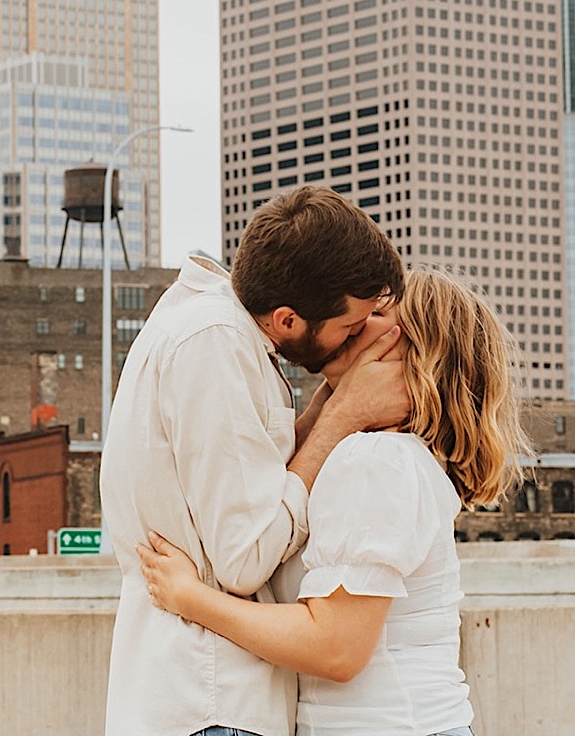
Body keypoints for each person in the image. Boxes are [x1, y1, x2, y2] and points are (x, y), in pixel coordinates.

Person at [138, 269, 534, 736]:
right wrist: (338, 403)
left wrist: (191, 598)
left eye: (376, 314)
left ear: (412, 351)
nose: (353, 321)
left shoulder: (374, 461)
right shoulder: (398, 458)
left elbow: (336, 649)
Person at [101, 186, 411, 736]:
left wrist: (328, 406)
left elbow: (246, 482)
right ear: (289, 318)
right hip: (215, 701)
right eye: (351, 326)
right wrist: (342, 418)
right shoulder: (215, 345)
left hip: (205, 698)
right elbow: (244, 557)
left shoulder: (209, 329)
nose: (358, 337)